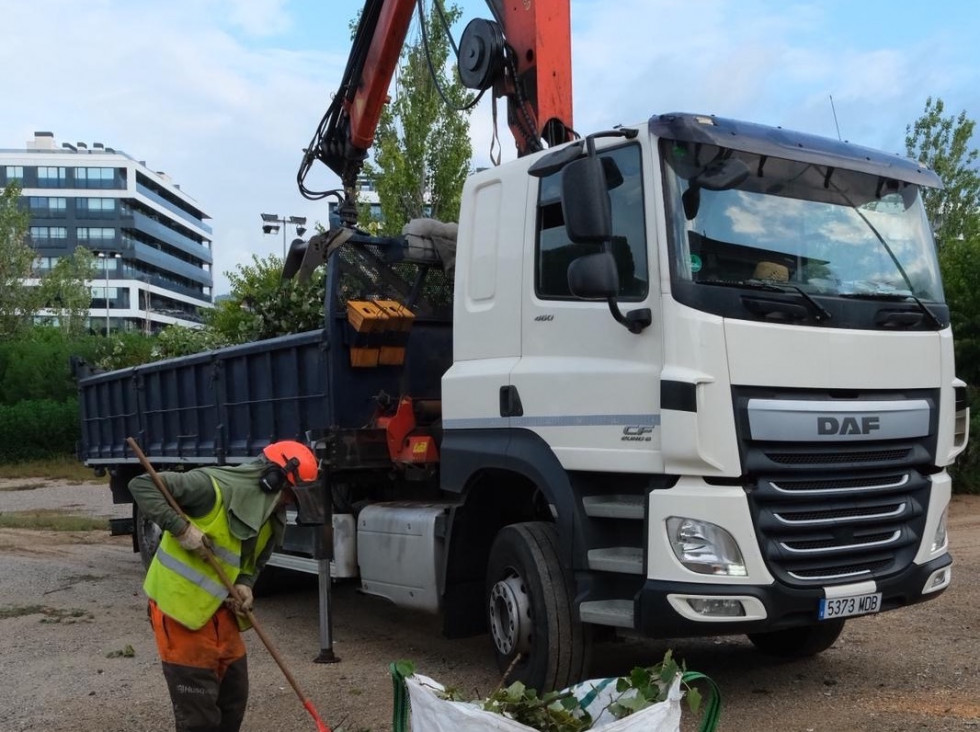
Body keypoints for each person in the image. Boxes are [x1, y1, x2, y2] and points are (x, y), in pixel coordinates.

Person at [129, 440, 319, 732]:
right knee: (200, 718)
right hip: (179, 611)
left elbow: (255, 561)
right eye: (290, 495)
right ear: (272, 480)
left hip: (221, 614)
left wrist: (245, 584)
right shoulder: (210, 488)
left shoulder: (270, 516)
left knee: (232, 700)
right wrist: (180, 529)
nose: (290, 503)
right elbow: (142, 484)